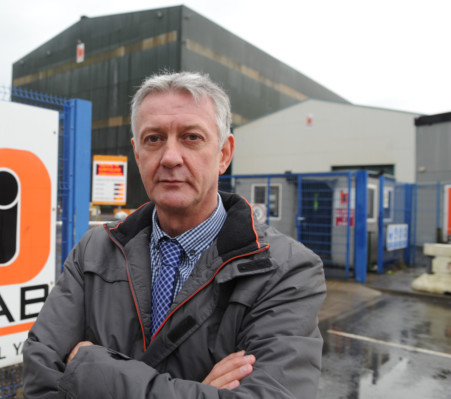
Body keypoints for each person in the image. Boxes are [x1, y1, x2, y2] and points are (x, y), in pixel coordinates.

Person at [23, 71, 326, 398]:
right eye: (154, 138)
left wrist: (89, 368)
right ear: (137, 153)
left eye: (191, 137)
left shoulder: (285, 270)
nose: (169, 157)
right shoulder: (94, 251)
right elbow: (41, 380)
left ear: (224, 153)